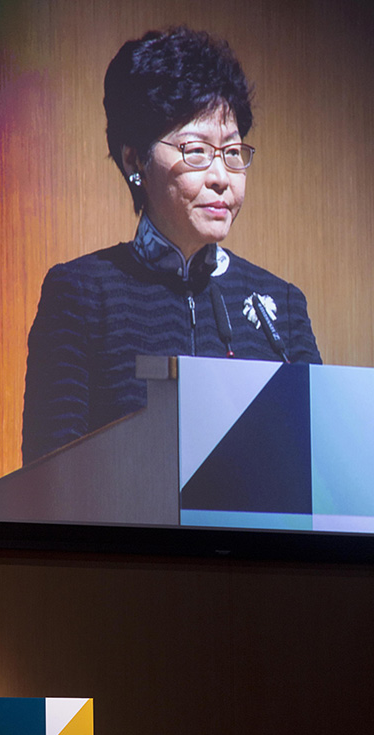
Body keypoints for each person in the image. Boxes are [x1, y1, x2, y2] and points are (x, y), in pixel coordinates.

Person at [22, 26, 321, 465]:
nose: (221, 176)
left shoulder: (282, 307)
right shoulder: (82, 294)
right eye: (196, 150)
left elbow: (320, 464)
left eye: (233, 152)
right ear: (135, 159)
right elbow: (48, 480)